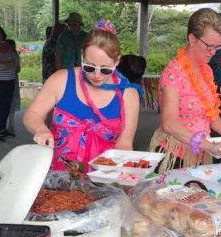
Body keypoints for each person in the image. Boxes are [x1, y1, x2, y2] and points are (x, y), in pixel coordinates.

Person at [23, 19, 140, 171]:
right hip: (56, 175)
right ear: (82, 56)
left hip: (103, 178)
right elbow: (33, 113)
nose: (97, 75)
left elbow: (124, 143)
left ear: (117, 61)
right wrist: (40, 129)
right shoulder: (61, 80)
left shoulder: (128, 95)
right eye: (90, 67)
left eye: (105, 69)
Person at [148, 8, 221, 172]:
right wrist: (210, 146)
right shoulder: (173, 73)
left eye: (217, 47)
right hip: (174, 155)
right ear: (192, 39)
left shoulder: (206, 70)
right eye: (209, 46)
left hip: (201, 153)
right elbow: (169, 124)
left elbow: (211, 115)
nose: (213, 52)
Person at [5, 39, 21, 137]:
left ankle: (10, 126)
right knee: (10, 102)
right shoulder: (15, 55)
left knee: (9, 102)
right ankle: (11, 125)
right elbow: (18, 69)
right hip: (12, 79)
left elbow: (18, 69)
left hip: (10, 80)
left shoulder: (10, 55)